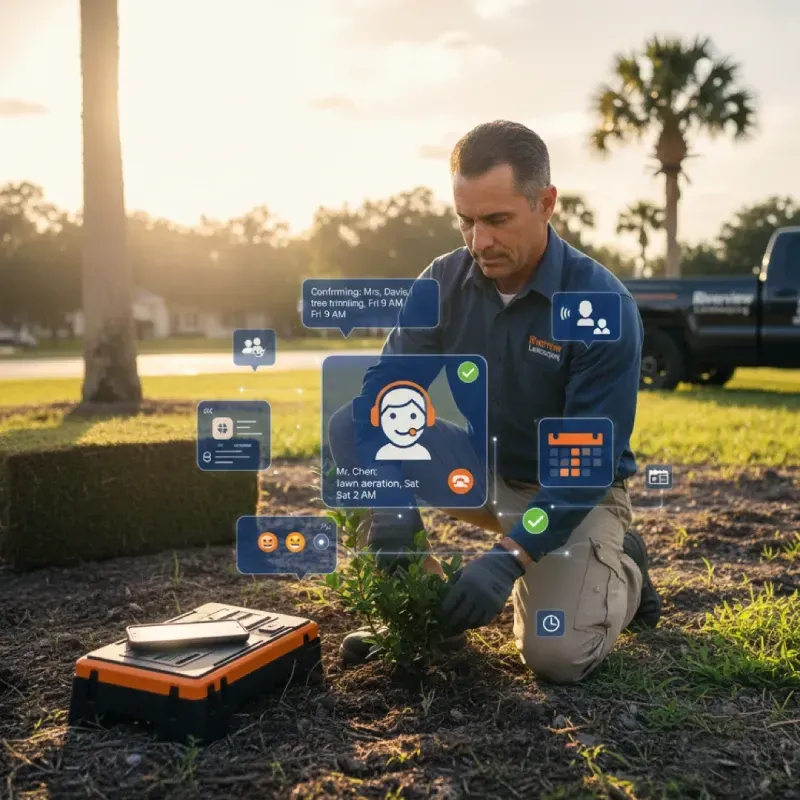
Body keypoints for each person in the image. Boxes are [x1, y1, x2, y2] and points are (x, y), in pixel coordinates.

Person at [328, 120, 660, 684]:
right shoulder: (444, 283)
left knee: (555, 657)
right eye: (467, 220)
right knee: (348, 431)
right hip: (483, 472)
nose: (479, 241)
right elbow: (378, 399)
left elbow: (582, 471)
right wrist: (387, 499)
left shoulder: (600, 302)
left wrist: (507, 559)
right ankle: (426, 609)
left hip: (572, 491)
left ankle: (620, 560)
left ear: (546, 203)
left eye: (498, 220)